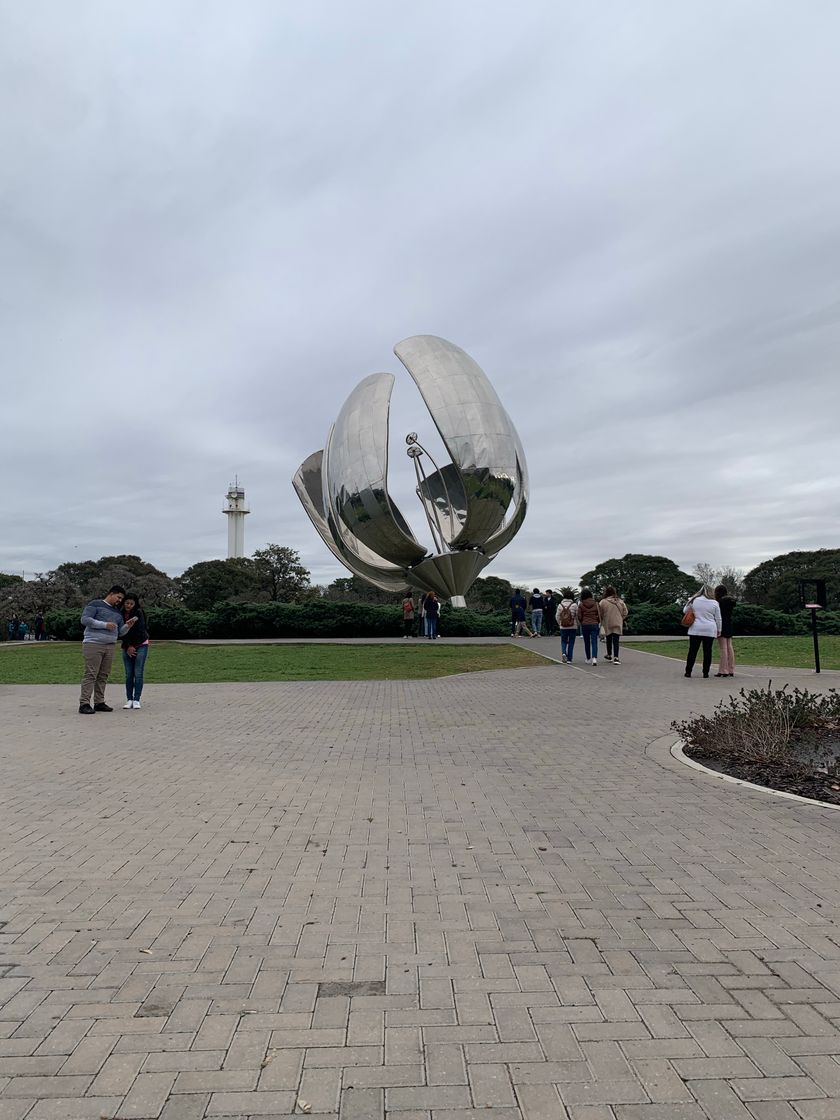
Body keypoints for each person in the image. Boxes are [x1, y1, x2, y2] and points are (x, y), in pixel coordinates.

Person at [78, 585, 137, 714]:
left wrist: (127, 626)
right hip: (93, 643)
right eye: (118, 597)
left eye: (121, 598)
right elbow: (85, 619)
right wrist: (104, 625)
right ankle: (84, 703)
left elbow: (120, 632)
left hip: (110, 645)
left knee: (103, 675)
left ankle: (99, 702)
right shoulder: (95, 604)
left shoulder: (117, 612)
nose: (120, 600)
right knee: (91, 673)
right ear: (111, 594)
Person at [683, 586, 722, 679]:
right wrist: (719, 630)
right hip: (709, 629)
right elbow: (718, 618)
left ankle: (688, 672)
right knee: (707, 651)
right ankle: (705, 673)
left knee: (692, 651)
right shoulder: (715, 603)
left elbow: (684, 611)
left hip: (695, 629)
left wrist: (691, 600)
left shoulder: (694, 600)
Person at [121, 592, 150, 709]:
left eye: (131, 603)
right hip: (126, 646)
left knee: (138, 673)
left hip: (141, 644)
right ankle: (129, 699)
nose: (129, 605)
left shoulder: (139, 613)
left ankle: (137, 699)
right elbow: (121, 632)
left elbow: (140, 630)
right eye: (127, 603)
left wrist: (133, 646)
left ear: (135, 604)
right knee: (129, 674)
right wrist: (128, 646)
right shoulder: (120, 614)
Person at [599, 586, 628, 664]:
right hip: (618, 622)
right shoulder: (620, 601)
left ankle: (609, 654)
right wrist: (621, 618)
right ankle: (616, 657)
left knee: (608, 639)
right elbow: (625, 612)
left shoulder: (603, 602)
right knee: (616, 640)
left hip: (607, 622)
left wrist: (602, 620)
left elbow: (600, 613)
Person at [714, 584, 737, 677]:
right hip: (729, 624)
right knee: (729, 647)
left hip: (722, 625)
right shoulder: (731, 602)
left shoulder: (719, 602)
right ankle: (731, 669)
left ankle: (723, 670)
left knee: (723, 648)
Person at [577, 588, 600, 665]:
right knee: (594, 641)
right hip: (594, 624)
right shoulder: (596, 604)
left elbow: (579, 616)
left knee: (586, 642)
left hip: (585, 624)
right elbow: (600, 614)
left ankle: (588, 658)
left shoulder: (581, 604)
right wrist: (597, 621)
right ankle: (594, 658)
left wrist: (581, 622)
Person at [556, 593, 578, 663]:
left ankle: (563, 653)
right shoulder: (574, 605)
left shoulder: (560, 605)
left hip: (563, 626)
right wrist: (578, 624)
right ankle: (569, 659)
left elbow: (557, 616)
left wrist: (560, 623)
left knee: (563, 641)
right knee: (571, 642)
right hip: (573, 626)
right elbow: (577, 615)